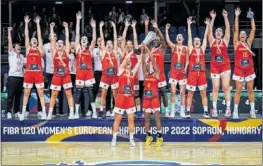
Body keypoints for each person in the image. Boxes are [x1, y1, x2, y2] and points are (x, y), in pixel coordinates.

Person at [111, 49, 142, 147]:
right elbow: (125, 59)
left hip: (129, 99)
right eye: (126, 62)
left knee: (131, 119)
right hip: (121, 97)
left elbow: (139, 62)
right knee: (117, 119)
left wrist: (141, 52)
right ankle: (114, 138)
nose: (128, 62)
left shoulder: (132, 72)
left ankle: (131, 139)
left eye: (129, 63)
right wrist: (132, 51)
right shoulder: (120, 70)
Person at [18, 15, 46, 121]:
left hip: (38, 73)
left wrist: (38, 24)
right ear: (30, 42)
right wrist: (26, 23)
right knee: (26, 93)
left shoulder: (40, 49)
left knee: (41, 94)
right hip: (29, 73)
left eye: (35, 40)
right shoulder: (28, 48)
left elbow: (39, 36)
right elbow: (26, 36)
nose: (34, 40)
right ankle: (23, 113)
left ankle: (44, 112)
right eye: (32, 40)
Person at [47, 22, 74, 120]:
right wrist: (51, 28)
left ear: (63, 46)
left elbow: (67, 39)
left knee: (68, 94)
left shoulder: (66, 51)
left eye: (61, 43)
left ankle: (71, 113)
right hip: (56, 76)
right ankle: (50, 113)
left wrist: (66, 27)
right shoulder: (54, 51)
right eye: (58, 43)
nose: (59, 44)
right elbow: (52, 41)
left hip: (66, 76)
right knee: (54, 94)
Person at [232, 8, 256, 119]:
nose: (242, 34)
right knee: (238, 90)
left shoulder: (249, 42)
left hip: (249, 69)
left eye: (244, 33)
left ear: (246, 36)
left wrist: (251, 17)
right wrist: (236, 16)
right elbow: (236, 31)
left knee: (250, 89)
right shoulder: (236, 43)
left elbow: (253, 29)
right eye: (241, 33)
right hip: (239, 69)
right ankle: (235, 111)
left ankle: (252, 110)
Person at [208, 9, 231, 118]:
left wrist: (225, 17)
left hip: (225, 66)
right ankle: (215, 110)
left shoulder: (225, 40)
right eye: (216, 31)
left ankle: (228, 109)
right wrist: (212, 18)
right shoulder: (212, 41)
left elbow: (228, 29)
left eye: (220, 31)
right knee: (216, 87)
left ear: (222, 34)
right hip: (215, 67)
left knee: (226, 87)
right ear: (214, 33)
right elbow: (209, 30)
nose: (218, 32)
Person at [185, 16, 210, 118]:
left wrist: (207, 26)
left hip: (202, 74)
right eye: (195, 40)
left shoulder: (202, 49)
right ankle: (187, 112)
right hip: (192, 74)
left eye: (197, 41)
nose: (196, 41)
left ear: (200, 43)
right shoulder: (191, 49)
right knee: (190, 93)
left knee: (203, 93)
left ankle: (206, 112)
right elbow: (190, 36)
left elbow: (205, 37)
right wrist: (189, 25)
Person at [74, 11, 97, 119]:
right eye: (82, 40)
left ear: (87, 42)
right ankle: (75, 112)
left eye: (85, 40)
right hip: (79, 73)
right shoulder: (78, 48)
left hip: (88, 73)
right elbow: (77, 34)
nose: (83, 40)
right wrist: (78, 20)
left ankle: (94, 112)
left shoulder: (90, 49)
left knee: (91, 93)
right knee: (78, 93)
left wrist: (94, 27)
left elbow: (94, 39)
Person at [145, 19, 169, 115]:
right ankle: (153, 109)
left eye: (157, 40)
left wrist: (157, 28)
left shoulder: (162, 49)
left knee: (163, 91)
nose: (156, 40)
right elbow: (147, 38)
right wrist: (147, 26)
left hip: (161, 74)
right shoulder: (150, 49)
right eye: (154, 40)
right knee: (152, 93)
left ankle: (166, 110)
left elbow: (163, 39)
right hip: (151, 75)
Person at [166, 23, 188, 118]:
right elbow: (167, 41)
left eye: (181, 36)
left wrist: (186, 69)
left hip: (182, 73)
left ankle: (182, 111)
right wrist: (166, 30)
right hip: (174, 73)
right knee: (173, 92)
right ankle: (173, 111)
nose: (179, 37)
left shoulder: (185, 48)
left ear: (183, 39)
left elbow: (187, 60)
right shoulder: (173, 47)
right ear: (176, 39)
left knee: (183, 92)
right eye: (178, 36)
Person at [142, 45, 163, 147]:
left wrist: (148, 51)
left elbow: (154, 63)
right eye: (147, 66)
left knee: (156, 118)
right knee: (146, 118)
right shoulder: (145, 75)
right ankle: (149, 136)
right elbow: (142, 63)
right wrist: (142, 51)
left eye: (149, 66)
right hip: (146, 100)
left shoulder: (157, 74)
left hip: (154, 100)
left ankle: (159, 137)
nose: (148, 67)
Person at [121, 19, 142, 117]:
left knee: (136, 94)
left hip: (135, 76)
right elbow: (124, 38)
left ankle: (138, 111)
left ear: (132, 46)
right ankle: (125, 109)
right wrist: (125, 27)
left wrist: (133, 28)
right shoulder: (123, 52)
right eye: (127, 44)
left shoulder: (136, 52)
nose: (128, 45)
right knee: (126, 93)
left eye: (130, 44)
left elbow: (135, 39)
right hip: (125, 77)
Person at [99, 20, 119, 118]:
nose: (110, 45)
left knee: (115, 94)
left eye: (111, 44)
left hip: (114, 77)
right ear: (106, 46)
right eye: (108, 44)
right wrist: (100, 28)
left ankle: (115, 110)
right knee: (103, 94)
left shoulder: (114, 52)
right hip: (105, 77)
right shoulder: (103, 53)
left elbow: (115, 40)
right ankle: (103, 111)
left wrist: (115, 28)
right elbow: (102, 40)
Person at [43, 33, 65, 117]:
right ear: (49, 37)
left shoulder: (59, 45)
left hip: (59, 72)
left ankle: (61, 110)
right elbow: (40, 54)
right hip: (49, 72)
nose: (53, 37)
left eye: (55, 36)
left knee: (60, 91)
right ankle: (53, 110)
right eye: (52, 36)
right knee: (51, 91)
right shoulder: (45, 46)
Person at [6, 27, 25, 119]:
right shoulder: (11, 54)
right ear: (13, 49)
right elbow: (10, 42)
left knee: (18, 96)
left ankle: (17, 111)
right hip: (12, 77)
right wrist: (9, 32)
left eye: (19, 47)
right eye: (17, 47)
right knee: (10, 95)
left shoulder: (22, 56)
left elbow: (25, 66)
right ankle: (9, 111)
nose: (19, 47)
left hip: (20, 77)